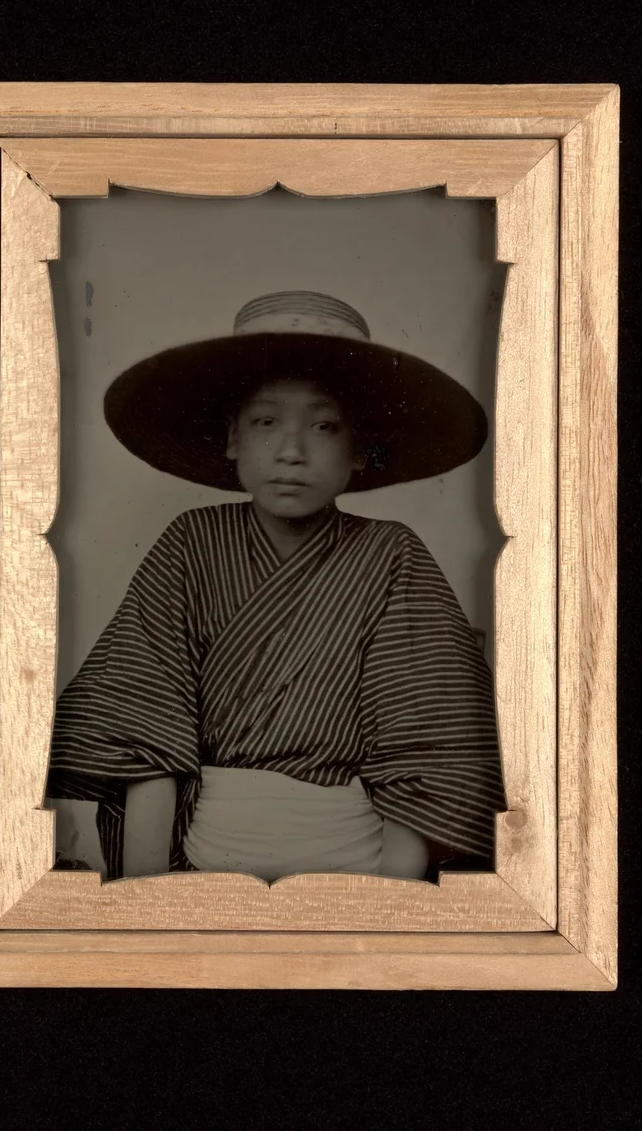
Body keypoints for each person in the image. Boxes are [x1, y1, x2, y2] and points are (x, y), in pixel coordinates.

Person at [46, 291, 506, 882]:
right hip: (199, 851)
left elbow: (424, 749)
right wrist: (149, 895)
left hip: (358, 856)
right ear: (232, 438)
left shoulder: (392, 553)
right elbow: (145, 727)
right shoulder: (192, 542)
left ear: (360, 449)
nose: (291, 451)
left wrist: (391, 907)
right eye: (265, 422)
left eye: (324, 425)